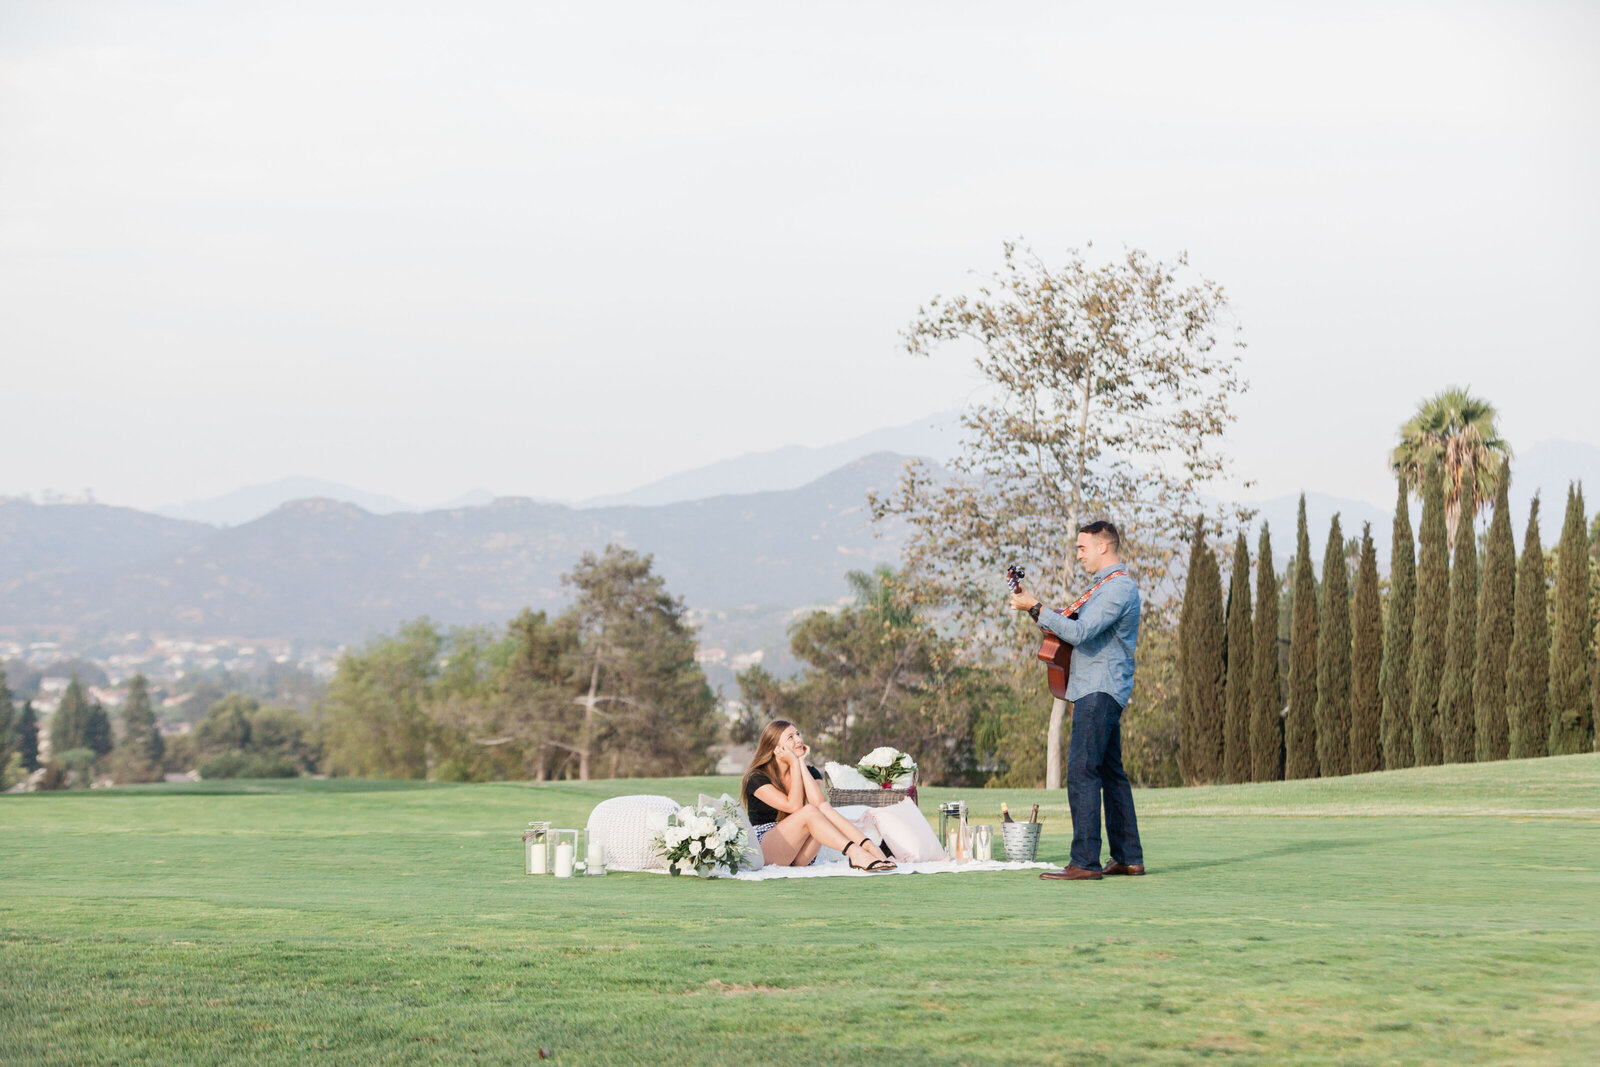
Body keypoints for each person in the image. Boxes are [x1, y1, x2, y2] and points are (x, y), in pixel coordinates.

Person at [1009, 520, 1146, 881]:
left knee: (1083, 772)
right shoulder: (1102, 587)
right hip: (1098, 688)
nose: (1079, 554)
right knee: (1111, 773)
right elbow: (1067, 630)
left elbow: (1081, 632)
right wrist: (1037, 610)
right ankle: (1128, 857)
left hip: (1099, 690)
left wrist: (1035, 607)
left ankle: (1084, 861)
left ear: (1104, 547)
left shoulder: (1117, 588)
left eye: (1082, 548)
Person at [742, 720, 896, 871]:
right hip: (767, 847)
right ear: (775, 748)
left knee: (821, 808)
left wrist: (801, 761)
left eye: (798, 734)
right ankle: (855, 852)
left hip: (800, 855)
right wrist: (794, 763)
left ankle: (870, 848)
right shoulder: (756, 778)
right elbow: (794, 806)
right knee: (809, 811)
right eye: (791, 737)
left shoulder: (809, 771)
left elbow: (820, 804)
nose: (799, 740)